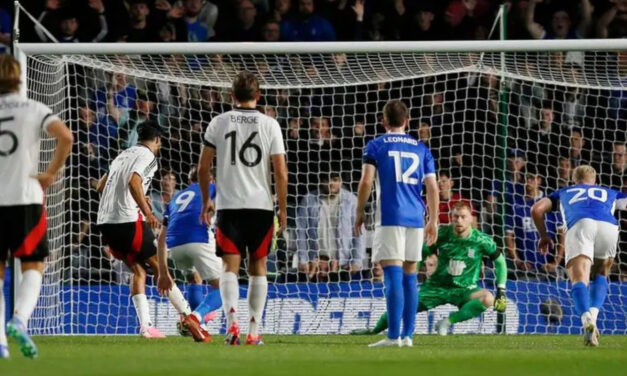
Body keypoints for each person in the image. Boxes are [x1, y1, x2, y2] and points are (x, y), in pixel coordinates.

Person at [198, 71, 287, 345]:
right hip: (260, 207)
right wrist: (282, 208)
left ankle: (232, 325)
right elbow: (281, 173)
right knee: (258, 267)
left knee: (229, 268)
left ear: (232, 95)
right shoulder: (270, 124)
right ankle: (253, 330)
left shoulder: (218, 122)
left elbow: (203, 168)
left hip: (229, 207)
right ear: (258, 96)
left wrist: (206, 201)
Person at [0, 55, 73, 359]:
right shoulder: (33, 109)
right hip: (26, 198)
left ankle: (1, 343)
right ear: (19, 78)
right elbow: (66, 136)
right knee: (34, 265)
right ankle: (20, 319)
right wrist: (50, 172)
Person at [351, 202, 508, 336]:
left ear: (471, 219)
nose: (459, 220)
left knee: (488, 298)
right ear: (452, 218)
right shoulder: (441, 234)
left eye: (463, 217)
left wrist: (501, 289)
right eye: (456, 217)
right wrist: (410, 280)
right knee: (403, 305)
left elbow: (500, 262)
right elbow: (420, 254)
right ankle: (373, 331)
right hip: (436, 287)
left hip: (465, 289)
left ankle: (446, 323)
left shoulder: (482, 240)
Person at [354, 100, 439, 347]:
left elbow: (366, 181)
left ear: (383, 121)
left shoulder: (376, 145)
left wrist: (359, 211)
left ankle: (393, 336)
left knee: (392, 277)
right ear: (407, 121)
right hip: (416, 217)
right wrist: (433, 220)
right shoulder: (421, 148)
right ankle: (408, 336)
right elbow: (432, 187)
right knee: (410, 277)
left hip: (389, 217)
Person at [96, 121, 190, 338]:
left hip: (106, 223)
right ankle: (189, 314)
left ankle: (146, 327)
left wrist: (131, 198)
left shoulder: (122, 154)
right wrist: (147, 212)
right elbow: (133, 181)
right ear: (157, 140)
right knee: (160, 269)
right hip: (128, 221)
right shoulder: (149, 156)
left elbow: (101, 186)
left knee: (139, 271)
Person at [531, 165, 627, 346]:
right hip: (609, 227)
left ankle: (586, 320)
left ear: (574, 181)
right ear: (595, 181)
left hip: (581, 224)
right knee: (601, 274)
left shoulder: (564, 192)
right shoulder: (609, 192)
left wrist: (544, 236)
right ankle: (594, 316)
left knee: (579, 278)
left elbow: (536, 210)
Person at [156, 167, 222, 343]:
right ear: (212, 180)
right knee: (224, 288)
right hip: (198, 239)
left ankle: (201, 330)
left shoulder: (175, 199)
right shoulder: (213, 189)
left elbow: (161, 238)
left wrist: (163, 272)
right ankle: (195, 317)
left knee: (194, 279)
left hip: (175, 246)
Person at [296, 172, 365, 280]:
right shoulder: (309, 199)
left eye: (335, 180)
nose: (331, 183)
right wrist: (303, 260)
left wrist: (356, 261)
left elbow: (358, 234)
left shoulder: (351, 201)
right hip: (315, 263)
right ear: (321, 181)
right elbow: (300, 232)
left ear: (341, 181)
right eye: (326, 180)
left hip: (343, 264)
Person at [506, 171, 564, 277]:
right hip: (525, 269)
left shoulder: (549, 202)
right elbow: (509, 236)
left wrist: (556, 262)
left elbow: (562, 234)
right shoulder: (516, 204)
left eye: (532, 178)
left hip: (548, 268)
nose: (528, 181)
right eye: (526, 178)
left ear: (539, 180)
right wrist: (518, 261)